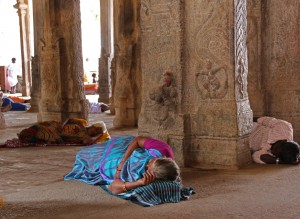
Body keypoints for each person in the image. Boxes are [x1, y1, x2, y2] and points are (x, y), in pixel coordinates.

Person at [64, 136, 193, 206]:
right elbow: (137, 140)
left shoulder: (144, 176)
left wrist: (139, 183)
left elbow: (113, 187)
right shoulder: (162, 150)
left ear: (152, 174)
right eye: (152, 160)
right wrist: (121, 165)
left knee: (83, 157)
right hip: (126, 150)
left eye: (148, 166)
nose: (148, 162)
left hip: (112, 164)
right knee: (89, 150)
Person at [1, 118, 110, 147]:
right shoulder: (81, 123)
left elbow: (88, 142)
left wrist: (100, 135)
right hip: (54, 126)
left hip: (55, 135)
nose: (94, 132)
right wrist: (62, 124)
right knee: (34, 128)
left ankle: (30, 137)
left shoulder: (84, 137)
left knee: (33, 136)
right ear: (92, 126)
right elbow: (69, 119)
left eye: (96, 133)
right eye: (95, 129)